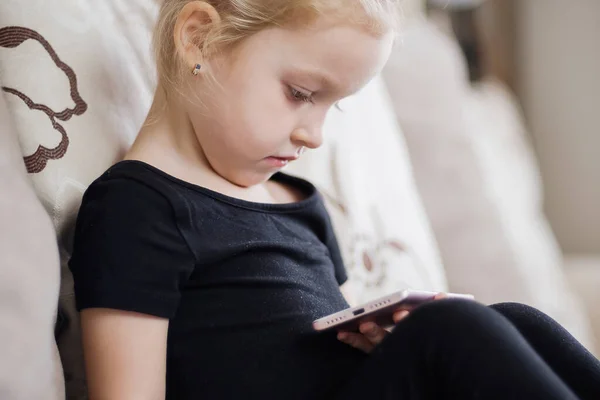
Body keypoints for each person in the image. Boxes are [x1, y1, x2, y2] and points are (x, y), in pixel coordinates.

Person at [68, 1, 600, 399]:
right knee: (450, 330)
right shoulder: (138, 207)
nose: (315, 135)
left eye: (334, 107)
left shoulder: (297, 200)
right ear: (200, 38)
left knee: (516, 321)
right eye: (301, 94)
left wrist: (376, 345)